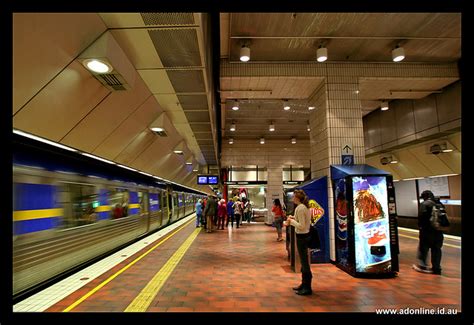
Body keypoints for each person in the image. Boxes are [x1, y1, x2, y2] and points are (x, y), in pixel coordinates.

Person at [284, 189, 312, 295]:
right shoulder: (302, 208)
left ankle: (307, 287)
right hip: (304, 236)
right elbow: (302, 220)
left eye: (294, 197)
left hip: (302, 237)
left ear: (297, 198)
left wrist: (291, 221)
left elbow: (302, 225)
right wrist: (294, 218)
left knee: (304, 262)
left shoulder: (300, 208)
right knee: (303, 261)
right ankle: (304, 284)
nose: (292, 198)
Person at [412, 190, 444, 275]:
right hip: (438, 231)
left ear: (425, 196)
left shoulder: (424, 204)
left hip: (427, 231)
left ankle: (422, 266)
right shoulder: (439, 204)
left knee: (423, 249)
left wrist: (420, 227)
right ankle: (436, 268)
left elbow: (421, 218)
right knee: (437, 249)